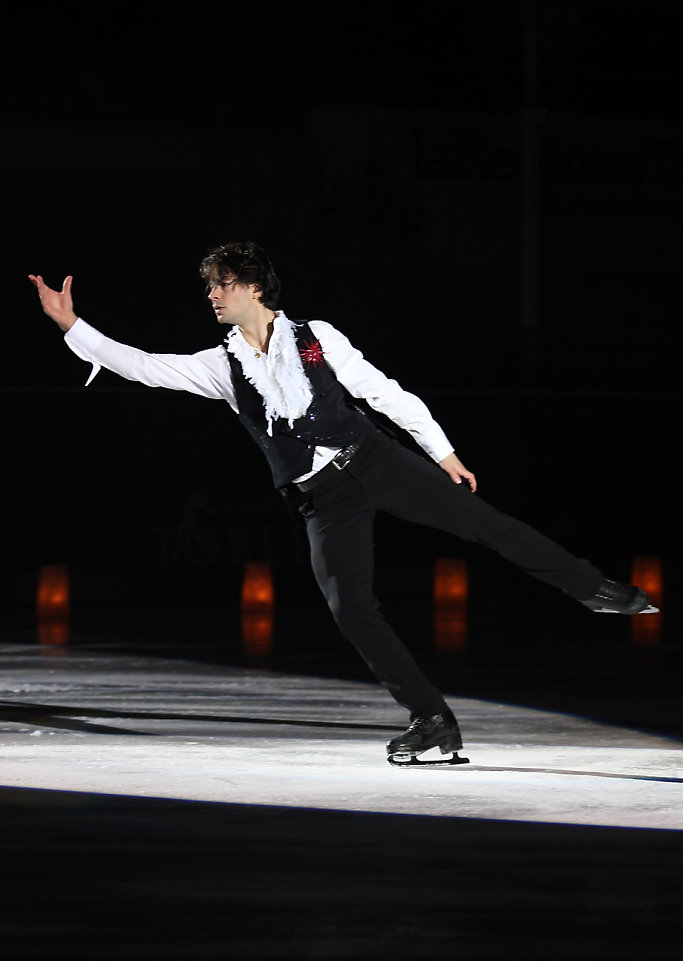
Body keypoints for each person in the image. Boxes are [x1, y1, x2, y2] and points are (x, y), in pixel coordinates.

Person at [29, 242, 657, 766]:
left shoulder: (316, 338)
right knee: (349, 606)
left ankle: (594, 589)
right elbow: (144, 367)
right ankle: (431, 718)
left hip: (376, 462)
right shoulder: (221, 367)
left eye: (221, 284)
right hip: (321, 500)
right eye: (210, 287)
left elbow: (385, 393)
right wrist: (71, 327)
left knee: (486, 525)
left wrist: (442, 453)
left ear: (251, 286)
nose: (212, 296)